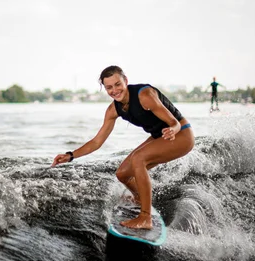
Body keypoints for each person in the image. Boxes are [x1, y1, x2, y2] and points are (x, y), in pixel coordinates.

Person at [51, 66, 194, 230]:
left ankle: (145, 217)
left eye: (117, 84)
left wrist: (173, 130)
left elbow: (174, 122)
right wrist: (70, 155)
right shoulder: (113, 110)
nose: (114, 90)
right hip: (160, 136)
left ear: (125, 81)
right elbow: (97, 141)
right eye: (109, 87)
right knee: (123, 174)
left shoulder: (145, 95)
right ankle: (141, 198)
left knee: (138, 158)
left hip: (182, 135)